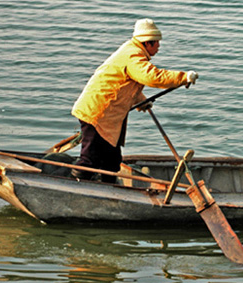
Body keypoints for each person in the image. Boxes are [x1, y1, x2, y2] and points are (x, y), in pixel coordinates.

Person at [70, 18, 198, 182]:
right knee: (90, 159)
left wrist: (141, 101)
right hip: (98, 112)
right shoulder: (133, 55)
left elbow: (127, 83)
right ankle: (74, 186)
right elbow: (152, 77)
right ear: (147, 43)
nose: (159, 47)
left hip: (109, 115)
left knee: (112, 161)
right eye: (157, 43)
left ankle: (108, 190)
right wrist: (183, 77)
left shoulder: (132, 52)